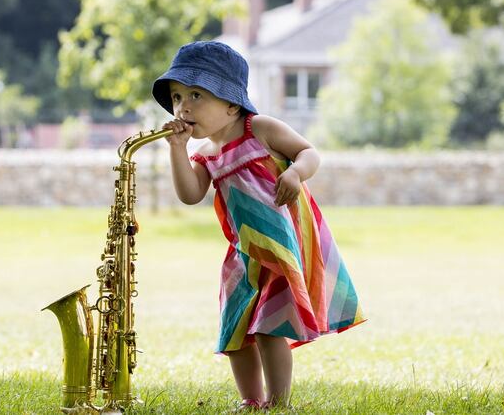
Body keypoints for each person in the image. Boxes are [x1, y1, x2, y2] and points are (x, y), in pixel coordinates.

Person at [152, 41, 366, 411]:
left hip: (280, 247)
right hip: (243, 254)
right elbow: (189, 194)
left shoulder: (260, 129)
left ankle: (278, 402)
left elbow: (309, 152)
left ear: (232, 104)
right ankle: (251, 401)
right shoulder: (205, 155)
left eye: (196, 95)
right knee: (235, 331)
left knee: (269, 325)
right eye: (176, 97)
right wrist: (176, 148)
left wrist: (296, 173)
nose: (183, 107)